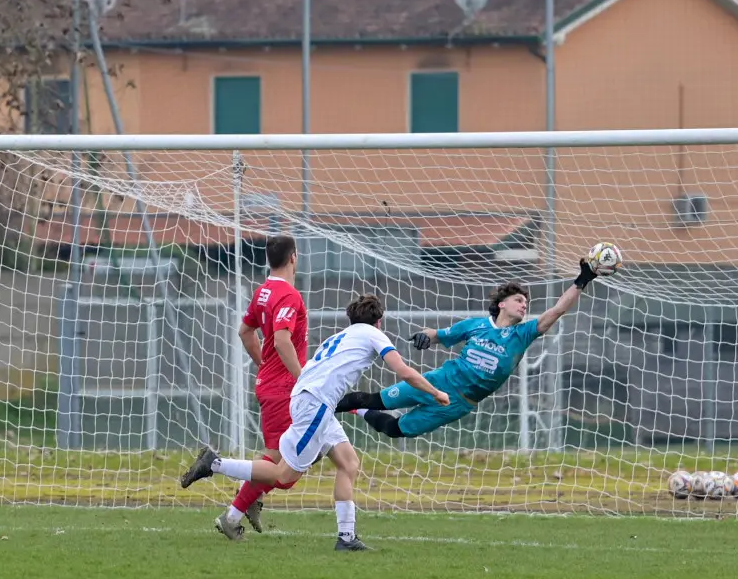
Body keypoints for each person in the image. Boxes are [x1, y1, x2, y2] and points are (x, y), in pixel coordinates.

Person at [178, 294, 450, 551]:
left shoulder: (341, 336)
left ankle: (346, 537)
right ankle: (214, 464)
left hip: (313, 401)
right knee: (283, 475)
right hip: (315, 404)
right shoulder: (374, 334)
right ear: (378, 321)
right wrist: (435, 393)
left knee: (349, 463)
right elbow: (403, 371)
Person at [333, 259, 602, 439]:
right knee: (372, 398)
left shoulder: (522, 334)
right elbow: (437, 335)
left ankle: (360, 413)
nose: (524, 305)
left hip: (458, 403)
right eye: (518, 300)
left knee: (394, 430)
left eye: (526, 302)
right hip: (437, 382)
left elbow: (557, 310)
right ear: (502, 304)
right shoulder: (475, 325)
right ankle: (321, 407)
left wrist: (583, 279)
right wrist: (424, 337)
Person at [219, 235, 307, 534]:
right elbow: (282, 340)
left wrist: (263, 364)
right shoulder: (289, 295)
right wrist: (303, 378)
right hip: (284, 389)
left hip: (272, 384)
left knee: (285, 454)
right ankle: (231, 502)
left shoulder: (263, 292)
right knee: (283, 466)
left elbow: (245, 332)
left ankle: (247, 501)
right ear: (293, 257)